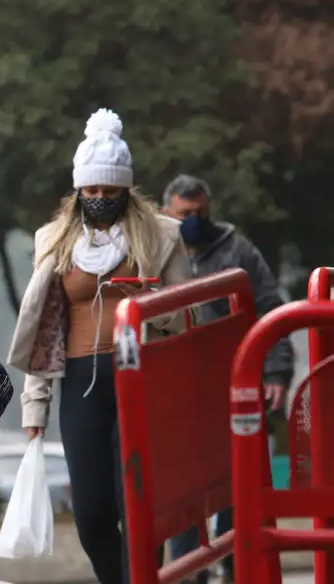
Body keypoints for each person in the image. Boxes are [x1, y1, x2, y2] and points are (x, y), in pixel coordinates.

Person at [7, 109, 192, 584]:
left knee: (138, 504)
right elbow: (44, 327)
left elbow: (188, 315)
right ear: (79, 190)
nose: (101, 199)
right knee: (90, 512)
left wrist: (149, 299)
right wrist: (35, 411)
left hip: (142, 379)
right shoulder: (53, 241)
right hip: (80, 383)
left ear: (125, 190)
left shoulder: (162, 235)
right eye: (92, 191)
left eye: (111, 191)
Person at [162, 174, 296, 584]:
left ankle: (236, 562)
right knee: (183, 487)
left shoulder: (237, 251)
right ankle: (190, 571)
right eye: (186, 214)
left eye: (201, 211)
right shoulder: (157, 250)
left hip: (232, 383)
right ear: (168, 212)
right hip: (177, 387)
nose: (195, 220)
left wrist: (275, 371)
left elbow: (270, 308)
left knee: (238, 480)